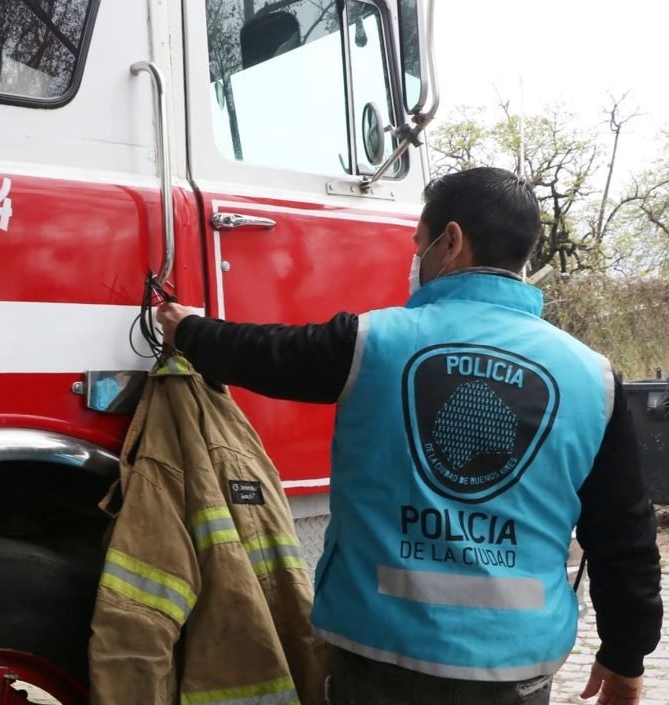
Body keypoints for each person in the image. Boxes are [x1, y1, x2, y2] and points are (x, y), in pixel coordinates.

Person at [156, 167, 662, 705]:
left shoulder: (369, 342)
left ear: (451, 241)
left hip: (377, 656)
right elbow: (624, 532)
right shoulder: (592, 377)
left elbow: (266, 354)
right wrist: (626, 656)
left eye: (418, 242)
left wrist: (186, 327)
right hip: (514, 671)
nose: (414, 259)